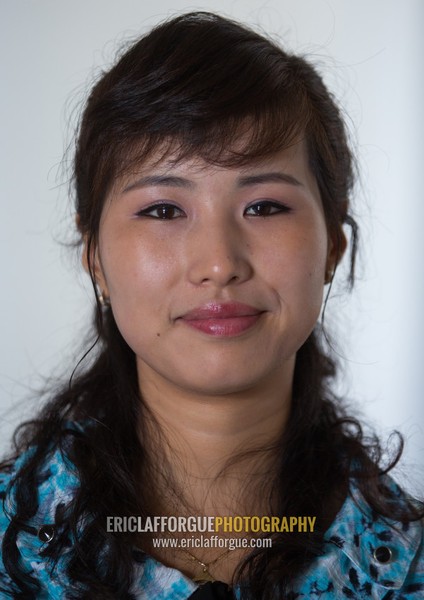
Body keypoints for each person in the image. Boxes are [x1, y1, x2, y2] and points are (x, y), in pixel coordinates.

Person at [0, 11, 422, 599]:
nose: (219, 263)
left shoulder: (409, 563)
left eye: (266, 207)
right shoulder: (9, 549)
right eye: (164, 210)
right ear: (94, 256)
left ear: (334, 246)